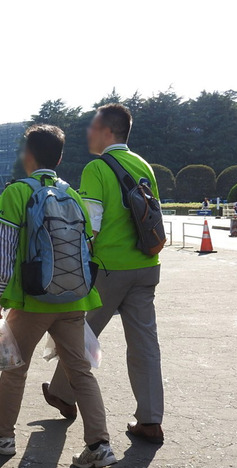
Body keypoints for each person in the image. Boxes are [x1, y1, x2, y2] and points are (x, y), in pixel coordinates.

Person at [0, 125, 116, 468]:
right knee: (80, 372)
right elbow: (86, 246)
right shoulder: (73, 194)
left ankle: (3, 435)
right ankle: (99, 445)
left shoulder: (16, 193)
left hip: (32, 300)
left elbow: (6, 249)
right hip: (73, 299)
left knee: (12, 367)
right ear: (59, 157)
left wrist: (0, 294)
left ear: (28, 155)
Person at [42, 104, 165, 445]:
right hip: (146, 265)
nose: (89, 133)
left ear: (108, 131)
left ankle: (64, 395)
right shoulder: (143, 165)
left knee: (77, 334)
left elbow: (90, 225)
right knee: (144, 344)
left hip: (110, 269)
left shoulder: (97, 168)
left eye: (93, 127)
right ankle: (151, 419)